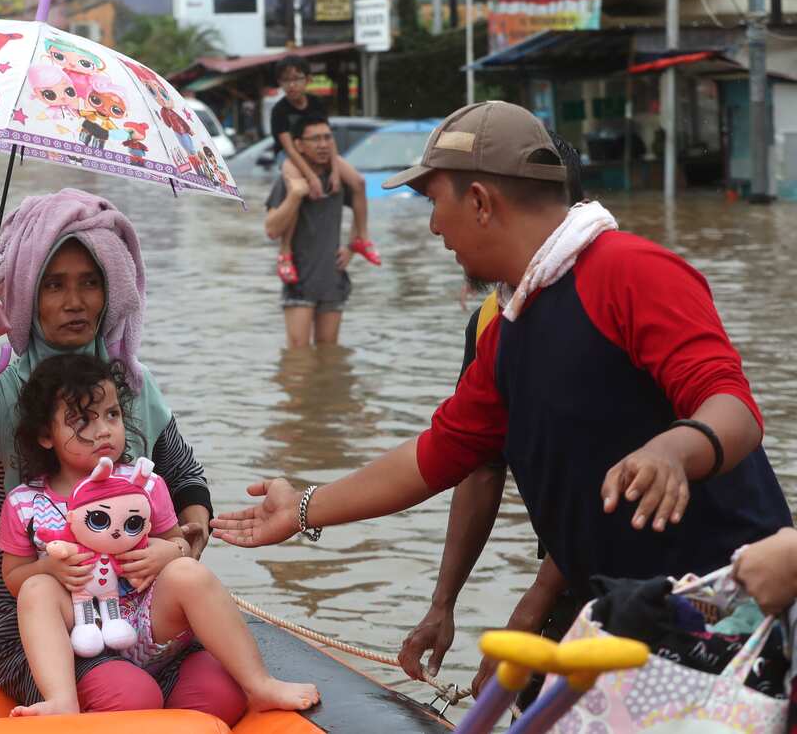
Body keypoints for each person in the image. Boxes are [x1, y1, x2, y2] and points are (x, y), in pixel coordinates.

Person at [213, 101, 792, 632]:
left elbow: (734, 409)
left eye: (436, 203)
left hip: (736, 597)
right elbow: (440, 454)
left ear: (481, 203)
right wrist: (304, 507)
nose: (435, 227)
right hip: (629, 608)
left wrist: (675, 449)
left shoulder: (632, 271)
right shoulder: (511, 324)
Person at [0, 188, 247, 723]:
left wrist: (181, 545)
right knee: (128, 698)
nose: (75, 302)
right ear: (23, 289)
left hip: (144, 617)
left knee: (222, 696)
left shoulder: (130, 385)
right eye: (54, 284)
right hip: (39, 634)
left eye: (90, 282)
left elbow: (187, 485)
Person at [0, 353, 320, 716]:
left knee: (189, 579)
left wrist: (171, 551)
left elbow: (175, 542)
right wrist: (50, 571)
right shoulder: (25, 502)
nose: (103, 429)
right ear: (45, 435)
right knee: (37, 590)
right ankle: (63, 702)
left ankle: (259, 684)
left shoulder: (146, 484)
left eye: (112, 415)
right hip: (85, 632)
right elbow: (14, 577)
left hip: (148, 622)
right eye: (81, 420)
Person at [398, 131, 587, 704]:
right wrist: (443, 602)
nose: (435, 230)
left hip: (641, 569)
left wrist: (534, 602)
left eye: (438, 206)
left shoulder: (600, 304)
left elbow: (605, 479)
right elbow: (471, 461)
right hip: (569, 556)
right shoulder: (491, 322)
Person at [264, 115, 369, 348]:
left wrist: (352, 246)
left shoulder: (338, 178)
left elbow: (361, 201)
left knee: (328, 355)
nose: (323, 144)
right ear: (299, 145)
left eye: (327, 138)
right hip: (299, 278)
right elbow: (271, 228)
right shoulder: (289, 179)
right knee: (298, 356)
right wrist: (294, 195)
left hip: (332, 276)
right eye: (315, 139)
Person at [268, 55, 370, 284]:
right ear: (280, 83)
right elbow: (289, 148)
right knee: (298, 189)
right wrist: (311, 176)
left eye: (297, 79)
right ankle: (285, 253)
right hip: (289, 155)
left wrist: (334, 171)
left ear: (308, 80)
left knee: (359, 182)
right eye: (285, 80)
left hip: (320, 155)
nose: (291, 85)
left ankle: (361, 238)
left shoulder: (316, 103)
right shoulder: (279, 111)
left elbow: (327, 137)